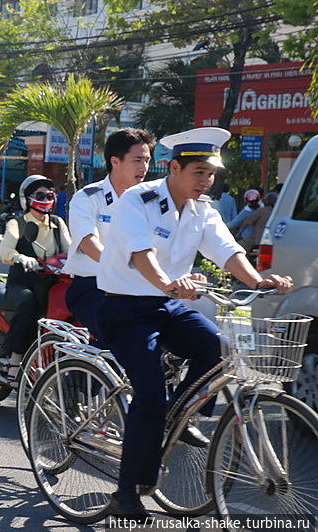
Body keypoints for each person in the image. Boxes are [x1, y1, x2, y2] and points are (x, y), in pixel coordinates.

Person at [96, 127, 292, 517]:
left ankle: (180, 415)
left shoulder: (204, 210)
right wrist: (168, 283)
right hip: (126, 308)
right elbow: (140, 254)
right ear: (173, 168)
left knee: (217, 348)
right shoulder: (139, 200)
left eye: (212, 173)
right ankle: (125, 493)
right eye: (199, 172)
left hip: (167, 306)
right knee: (149, 396)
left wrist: (258, 280)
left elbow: (226, 249)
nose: (207, 181)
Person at [62, 128, 155, 342]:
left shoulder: (151, 203)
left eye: (147, 161)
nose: (144, 168)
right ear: (115, 161)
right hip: (93, 286)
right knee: (119, 336)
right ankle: (78, 375)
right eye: (138, 160)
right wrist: (123, 267)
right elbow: (89, 242)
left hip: (137, 287)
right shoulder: (88, 198)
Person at [0, 175, 71, 385]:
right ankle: (14, 361)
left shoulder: (58, 223)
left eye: (49, 194)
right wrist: (20, 257)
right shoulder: (18, 223)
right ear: (27, 199)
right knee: (28, 305)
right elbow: (5, 250)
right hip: (22, 283)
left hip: (51, 283)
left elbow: (70, 250)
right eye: (40, 195)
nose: (46, 199)